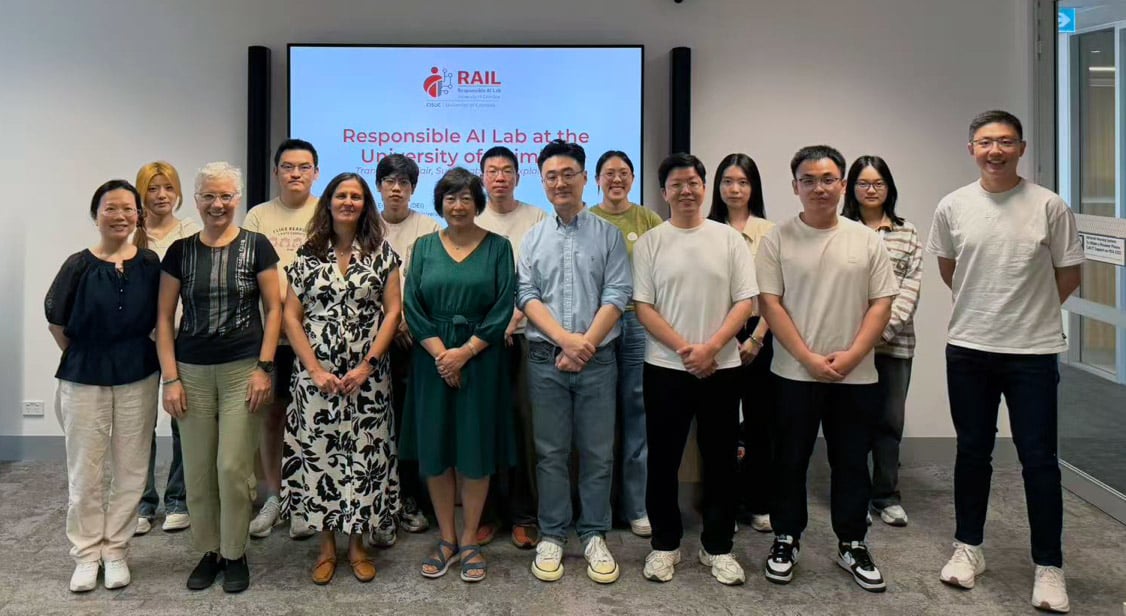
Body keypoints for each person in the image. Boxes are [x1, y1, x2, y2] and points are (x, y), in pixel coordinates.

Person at [928, 110, 1083, 613]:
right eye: (985, 142)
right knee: (972, 452)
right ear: (970, 148)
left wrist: (1027, 314)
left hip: (1033, 352)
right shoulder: (953, 206)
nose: (995, 150)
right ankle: (969, 549)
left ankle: (1049, 567)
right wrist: (988, 309)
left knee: (1039, 459)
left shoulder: (1049, 206)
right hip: (970, 347)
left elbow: (1069, 273)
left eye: (1006, 142)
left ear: (1022, 148)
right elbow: (951, 269)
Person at [756, 145, 898, 593]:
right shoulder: (777, 239)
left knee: (851, 461)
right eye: (808, 179)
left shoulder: (867, 239)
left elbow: (882, 303)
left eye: (828, 178)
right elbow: (770, 304)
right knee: (790, 459)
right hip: (793, 373)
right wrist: (808, 357)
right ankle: (786, 536)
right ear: (794, 186)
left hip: (856, 376)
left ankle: (852, 541)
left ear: (842, 184)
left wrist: (854, 353)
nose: (819, 187)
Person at [156, 162, 282, 593]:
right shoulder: (180, 252)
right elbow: (163, 317)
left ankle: (235, 551)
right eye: (209, 196)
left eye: (226, 195)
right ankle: (209, 552)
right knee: (197, 469)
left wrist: (265, 368)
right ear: (196, 200)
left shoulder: (258, 246)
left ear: (238, 199)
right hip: (190, 373)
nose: (218, 204)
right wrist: (170, 379)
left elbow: (276, 310)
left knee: (231, 467)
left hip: (242, 372)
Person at [633, 153, 758, 586]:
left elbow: (746, 301)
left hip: (721, 368)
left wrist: (712, 348)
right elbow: (643, 306)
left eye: (693, 182)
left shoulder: (728, 239)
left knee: (722, 460)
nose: (686, 190)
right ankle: (665, 545)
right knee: (663, 460)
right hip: (665, 367)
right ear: (664, 191)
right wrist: (687, 349)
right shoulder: (651, 242)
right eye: (676, 183)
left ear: (704, 188)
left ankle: (718, 546)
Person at [518, 140, 632, 584]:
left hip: (599, 360)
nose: (560, 182)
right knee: (549, 453)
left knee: (598, 453)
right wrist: (568, 341)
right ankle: (552, 534)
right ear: (543, 183)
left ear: (585, 178)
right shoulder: (533, 237)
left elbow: (618, 293)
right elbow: (526, 296)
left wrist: (585, 345)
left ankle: (593, 534)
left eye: (569, 173)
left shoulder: (609, 235)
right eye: (551, 176)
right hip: (546, 358)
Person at [281, 173, 402, 585]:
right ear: (328, 202)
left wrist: (368, 364)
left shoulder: (381, 253)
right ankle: (326, 547)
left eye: (356, 196)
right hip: (315, 379)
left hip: (366, 377)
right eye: (341, 195)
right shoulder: (307, 253)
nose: (348, 201)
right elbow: (290, 318)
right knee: (319, 457)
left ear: (365, 204)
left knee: (364, 457)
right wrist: (315, 369)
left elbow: (392, 312)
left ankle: (358, 545)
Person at [400, 167, 516, 583]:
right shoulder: (424, 247)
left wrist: (464, 353)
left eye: (466, 197)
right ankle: (446, 537)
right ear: (440, 203)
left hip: (481, 360)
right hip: (432, 359)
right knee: (436, 449)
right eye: (450, 197)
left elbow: (504, 307)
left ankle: (470, 539)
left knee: (475, 450)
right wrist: (441, 355)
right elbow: (412, 305)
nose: (458, 204)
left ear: (478, 202)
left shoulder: (499, 248)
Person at [46, 180, 161, 592]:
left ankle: (116, 552)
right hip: (83, 373)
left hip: (138, 371)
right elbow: (57, 320)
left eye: (128, 209)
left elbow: (160, 319)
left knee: (131, 468)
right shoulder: (78, 263)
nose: (120, 216)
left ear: (138, 216)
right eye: (111, 208)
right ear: (96, 214)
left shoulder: (150, 263)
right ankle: (86, 553)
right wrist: (89, 352)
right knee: (85, 469)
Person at [841, 156, 922, 528]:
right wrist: (857, 341)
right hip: (847, 345)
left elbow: (909, 290)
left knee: (890, 422)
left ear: (889, 188)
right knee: (851, 424)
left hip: (893, 345)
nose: (871, 190)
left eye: (878, 183)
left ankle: (886, 496)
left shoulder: (908, 232)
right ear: (851, 189)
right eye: (863, 183)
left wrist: (877, 335)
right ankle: (854, 495)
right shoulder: (839, 230)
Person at [246, 139, 320, 541]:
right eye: (288, 166)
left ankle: (307, 500)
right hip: (270, 336)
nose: (296, 173)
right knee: (272, 417)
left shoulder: (328, 211)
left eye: (304, 167)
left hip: (318, 337)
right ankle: (274, 496)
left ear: (315, 172)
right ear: (276, 172)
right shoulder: (258, 216)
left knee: (311, 419)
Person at [475, 145, 547, 548]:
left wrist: (515, 318)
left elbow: (539, 279)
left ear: (518, 178)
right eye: (492, 170)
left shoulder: (537, 218)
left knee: (522, 427)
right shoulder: (472, 218)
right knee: (484, 427)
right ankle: (487, 515)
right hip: (480, 342)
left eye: (507, 170)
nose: (499, 177)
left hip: (524, 338)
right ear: (482, 177)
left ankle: (524, 515)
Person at [589, 149, 662, 538]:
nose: (616, 179)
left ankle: (636, 507)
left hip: (636, 323)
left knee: (637, 415)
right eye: (609, 173)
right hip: (596, 326)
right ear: (597, 179)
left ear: (632, 179)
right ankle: (596, 509)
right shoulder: (587, 220)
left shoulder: (648, 219)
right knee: (598, 417)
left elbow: (660, 271)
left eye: (623, 173)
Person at [369, 153, 439, 549]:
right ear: (379, 185)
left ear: (413, 189)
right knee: (377, 428)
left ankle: (409, 499)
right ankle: (377, 504)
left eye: (405, 183)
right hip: (371, 344)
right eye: (389, 181)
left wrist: (405, 324)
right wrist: (387, 325)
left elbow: (426, 285)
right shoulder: (364, 224)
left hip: (414, 343)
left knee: (409, 425)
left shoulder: (428, 227)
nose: (397, 188)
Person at [707, 153, 776, 533]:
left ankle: (758, 501)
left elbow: (775, 292)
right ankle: (724, 505)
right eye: (728, 181)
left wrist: (756, 337)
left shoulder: (769, 231)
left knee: (759, 422)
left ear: (754, 188)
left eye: (743, 182)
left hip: (759, 335)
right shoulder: (704, 228)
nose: (735, 189)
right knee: (719, 425)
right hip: (717, 334)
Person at [134, 161, 200, 536]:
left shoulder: (190, 231)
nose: (161, 196)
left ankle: (179, 499)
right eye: (153, 189)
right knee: (139, 424)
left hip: (182, 340)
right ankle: (143, 502)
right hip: (140, 343)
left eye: (168, 188)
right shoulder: (131, 235)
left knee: (181, 421)